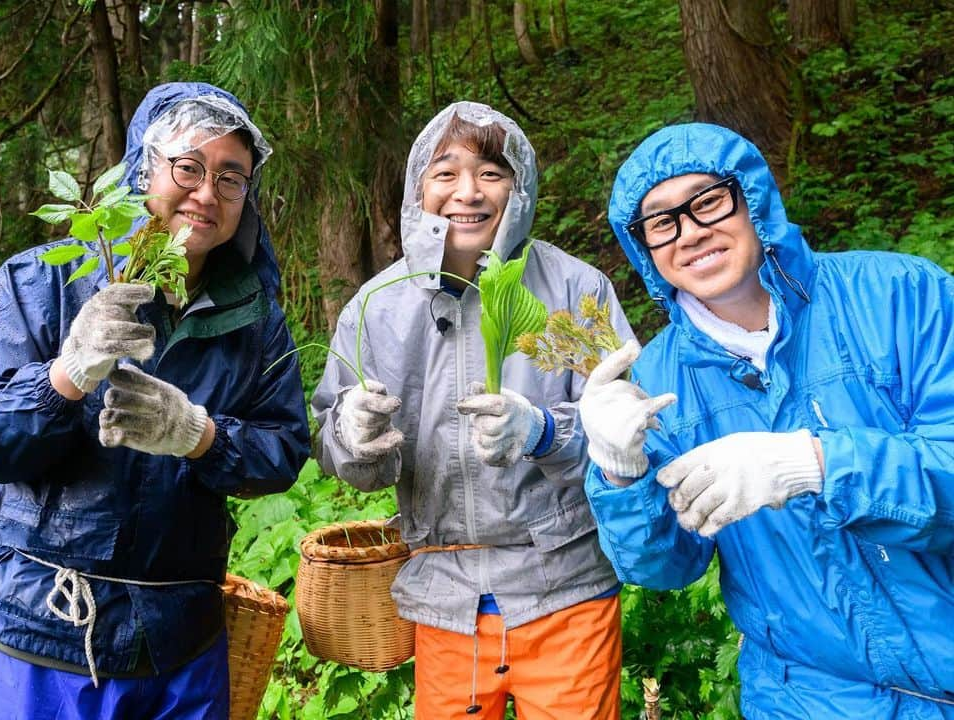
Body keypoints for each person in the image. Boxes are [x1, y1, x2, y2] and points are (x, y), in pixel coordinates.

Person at [0, 82, 311, 720]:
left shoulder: (254, 319)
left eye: (231, 177)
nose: (206, 193)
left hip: (181, 642)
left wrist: (199, 435)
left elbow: (283, 450)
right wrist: (65, 378)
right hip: (47, 629)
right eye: (188, 166)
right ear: (144, 167)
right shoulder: (44, 281)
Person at [581, 122, 954, 719]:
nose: (691, 234)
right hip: (805, 700)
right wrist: (620, 473)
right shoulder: (656, 380)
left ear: (752, 197)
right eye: (662, 223)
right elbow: (664, 567)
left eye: (707, 202)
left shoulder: (900, 295)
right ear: (643, 249)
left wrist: (816, 464)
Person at [312, 101, 633, 719]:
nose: (468, 192)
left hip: (564, 588)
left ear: (520, 188)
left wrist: (541, 431)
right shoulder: (379, 307)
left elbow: (620, 436)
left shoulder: (571, 291)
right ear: (417, 191)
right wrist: (351, 437)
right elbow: (344, 456)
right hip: (446, 598)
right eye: (446, 173)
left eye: (491, 172)